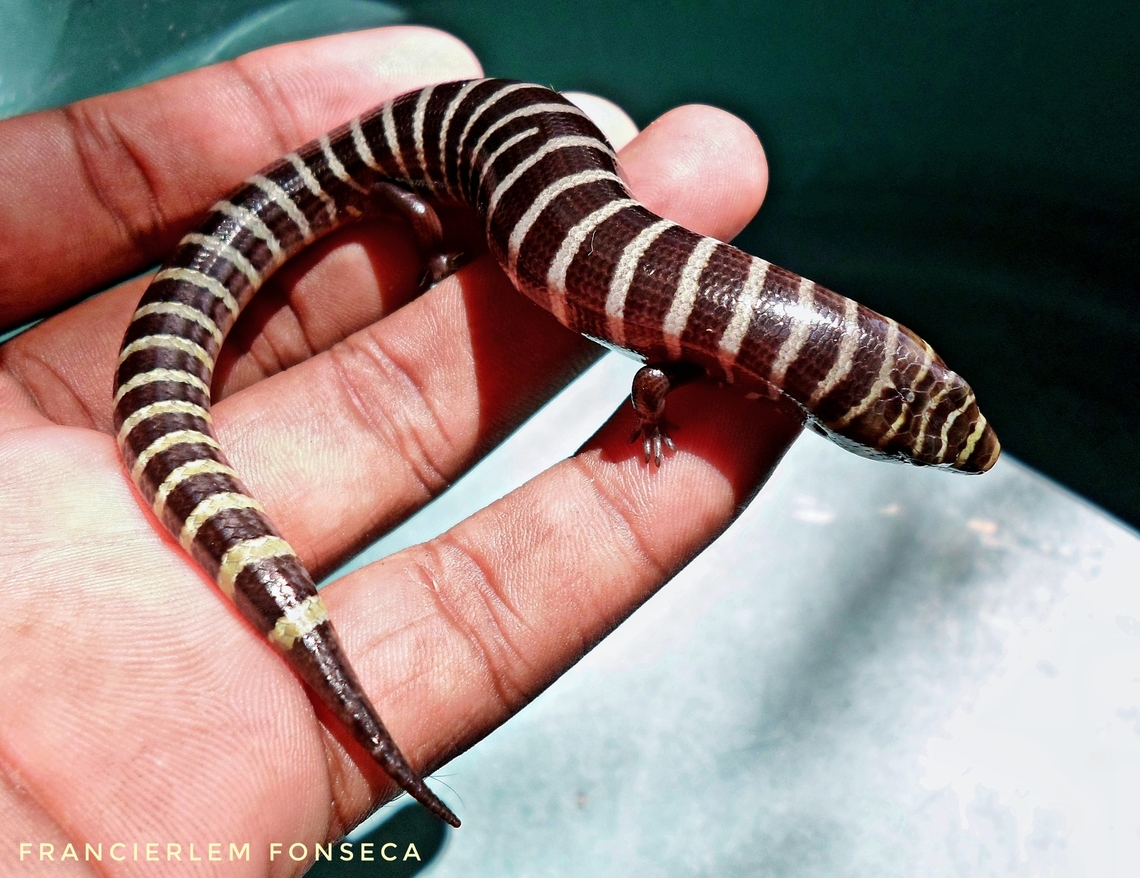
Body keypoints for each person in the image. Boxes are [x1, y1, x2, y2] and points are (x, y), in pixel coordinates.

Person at [0, 25, 798, 874]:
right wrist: (435, 240)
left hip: (412, 155)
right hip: (375, 174)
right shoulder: (385, 185)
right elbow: (415, 199)